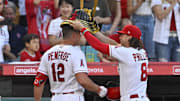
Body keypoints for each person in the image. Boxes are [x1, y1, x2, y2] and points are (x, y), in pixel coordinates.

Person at [71, 21, 150, 101]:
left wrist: (83, 29)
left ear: (129, 37)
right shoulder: (142, 52)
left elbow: (98, 45)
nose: (120, 37)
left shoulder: (126, 53)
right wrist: (95, 32)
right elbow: (112, 44)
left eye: (122, 35)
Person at [33, 20, 107, 101]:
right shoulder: (76, 52)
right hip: (72, 96)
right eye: (80, 34)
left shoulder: (48, 53)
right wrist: (98, 89)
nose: (81, 36)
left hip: (55, 97)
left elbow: (38, 82)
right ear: (74, 35)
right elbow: (82, 80)